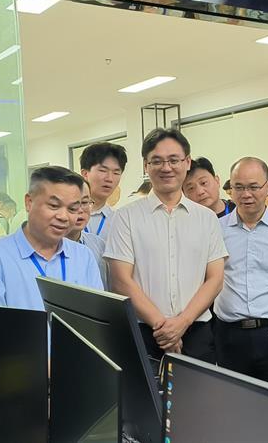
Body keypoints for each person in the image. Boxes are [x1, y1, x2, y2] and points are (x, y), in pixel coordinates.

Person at [104, 128, 228, 363]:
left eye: (174, 160)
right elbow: (120, 280)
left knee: (198, 389)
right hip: (143, 331)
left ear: (187, 162)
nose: (166, 167)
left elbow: (215, 279)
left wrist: (182, 323)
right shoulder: (125, 217)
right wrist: (164, 327)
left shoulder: (207, 218)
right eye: (157, 161)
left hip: (197, 331)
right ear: (145, 165)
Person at [214, 157, 268, 389]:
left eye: (254, 187)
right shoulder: (216, 230)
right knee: (233, 401)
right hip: (229, 335)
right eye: (239, 187)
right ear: (230, 189)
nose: (246, 194)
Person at [0, 166, 103, 311]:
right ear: (29, 202)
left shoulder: (84, 257)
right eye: (54, 205)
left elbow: (96, 317)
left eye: (72, 209)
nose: (63, 217)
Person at [80, 142, 128, 241]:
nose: (109, 179)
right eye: (103, 170)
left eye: (116, 173)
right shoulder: (67, 215)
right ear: (85, 174)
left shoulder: (118, 219)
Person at [65, 179, 108, 289]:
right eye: (73, 204)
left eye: (84, 202)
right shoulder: (46, 249)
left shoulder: (99, 246)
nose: (80, 210)